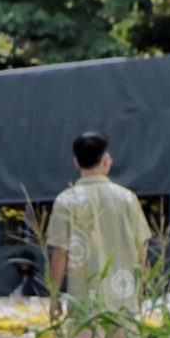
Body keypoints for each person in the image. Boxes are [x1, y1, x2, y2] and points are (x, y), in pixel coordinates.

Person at [46, 130, 150, 310]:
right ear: (106, 160)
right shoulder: (127, 198)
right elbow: (141, 248)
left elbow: (60, 253)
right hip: (123, 299)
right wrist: (139, 292)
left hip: (84, 302)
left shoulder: (66, 201)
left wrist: (54, 298)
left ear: (76, 163)